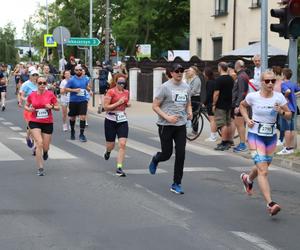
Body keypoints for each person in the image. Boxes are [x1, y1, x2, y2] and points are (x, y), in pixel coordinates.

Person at [239, 70, 291, 216]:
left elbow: (289, 115)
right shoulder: (253, 97)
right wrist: (247, 119)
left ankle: (247, 179)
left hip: (271, 136)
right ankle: (270, 204)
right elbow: (242, 106)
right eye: (267, 81)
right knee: (263, 170)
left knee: (263, 166)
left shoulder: (279, 97)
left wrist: (281, 111)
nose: (270, 84)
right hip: (255, 136)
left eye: (273, 81)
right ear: (261, 82)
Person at [148, 64, 192, 195]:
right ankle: (156, 159)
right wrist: (167, 118)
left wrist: (190, 112)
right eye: (177, 71)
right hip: (165, 125)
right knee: (166, 154)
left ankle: (176, 183)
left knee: (181, 154)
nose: (179, 73)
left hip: (180, 125)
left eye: (181, 71)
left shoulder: (186, 87)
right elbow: (155, 106)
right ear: (171, 73)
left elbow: (188, 103)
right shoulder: (164, 87)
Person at [25, 76, 59, 176]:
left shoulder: (50, 94)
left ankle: (45, 152)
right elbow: (26, 105)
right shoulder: (32, 95)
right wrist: (29, 109)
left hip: (47, 122)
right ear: (37, 84)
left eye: (44, 83)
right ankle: (40, 168)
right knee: (39, 143)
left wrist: (51, 107)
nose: (42, 85)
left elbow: (58, 107)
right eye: (40, 83)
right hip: (34, 121)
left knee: (45, 147)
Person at [103, 76, 130, 177]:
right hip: (110, 120)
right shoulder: (110, 92)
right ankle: (108, 152)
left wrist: (127, 104)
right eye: (119, 83)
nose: (121, 85)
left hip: (122, 120)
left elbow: (126, 103)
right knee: (111, 145)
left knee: (122, 144)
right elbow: (106, 107)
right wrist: (118, 103)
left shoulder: (126, 92)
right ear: (116, 82)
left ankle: (119, 168)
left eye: (123, 83)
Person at [64, 65, 91, 142]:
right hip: (73, 101)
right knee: (72, 117)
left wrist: (88, 89)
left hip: (83, 100)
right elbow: (65, 89)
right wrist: (74, 90)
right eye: (77, 70)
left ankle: (81, 134)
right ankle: (72, 130)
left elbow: (87, 87)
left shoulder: (85, 79)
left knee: (83, 116)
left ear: (82, 70)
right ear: (74, 71)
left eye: (80, 70)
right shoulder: (71, 80)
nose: (79, 71)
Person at [277, 68, 300, 155]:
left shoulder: (283, 84)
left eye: (282, 74)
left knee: (286, 128)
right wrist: (294, 96)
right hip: (293, 108)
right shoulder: (293, 84)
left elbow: (288, 91)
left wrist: (286, 97)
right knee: (292, 128)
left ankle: (286, 148)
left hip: (287, 109)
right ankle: (291, 147)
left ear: (284, 75)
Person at [213, 62, 234, 151]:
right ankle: (229, 141)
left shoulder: (219, 80)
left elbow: (216, 93)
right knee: (228, 123)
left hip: (221, 104)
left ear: (220, 68)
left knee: (222, 124)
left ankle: (224, 142)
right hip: (229, 103)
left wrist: (214, 104)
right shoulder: (231, 79)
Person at [19, 70, 40, 150]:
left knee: (35, 128)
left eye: (36, 75)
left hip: (38, 109)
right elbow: (22, 96)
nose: (35, 76)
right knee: (31, 127)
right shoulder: (26, 84)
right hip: (29, 109)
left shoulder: (40, 84)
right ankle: (28, 138)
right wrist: (27, 99)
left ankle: (35, 146)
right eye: (33, 75)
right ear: (30, 76)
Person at [232, 60, 249, 152]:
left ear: (237, 66)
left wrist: (238, 105)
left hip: (241, 104)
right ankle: (241, 143)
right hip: (241, 103)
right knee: (239, 124)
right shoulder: (242, 75)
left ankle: (243, 144)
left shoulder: (241, 76)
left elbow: (242, 92)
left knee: (240, 124)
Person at [185, 66, 202, 134]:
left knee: (194, 114)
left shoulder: (197, 79)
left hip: (195, 98)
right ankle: (193, 129)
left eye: (190, 70)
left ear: (194, 71)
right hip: (190, 97)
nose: (188, 71)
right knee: (189, 113)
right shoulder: (190, 79)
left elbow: (194, 91)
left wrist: (187, 96)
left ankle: (195, 130)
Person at [203, 67, 217, 142]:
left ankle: (213, 136)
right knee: (214, 119)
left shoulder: (209, 82)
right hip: (215, 102)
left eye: (204, 72)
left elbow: (209, 94)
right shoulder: (215, 81)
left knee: (212, 120)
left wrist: (204, 103)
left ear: (206, 74)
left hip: (210, 103)